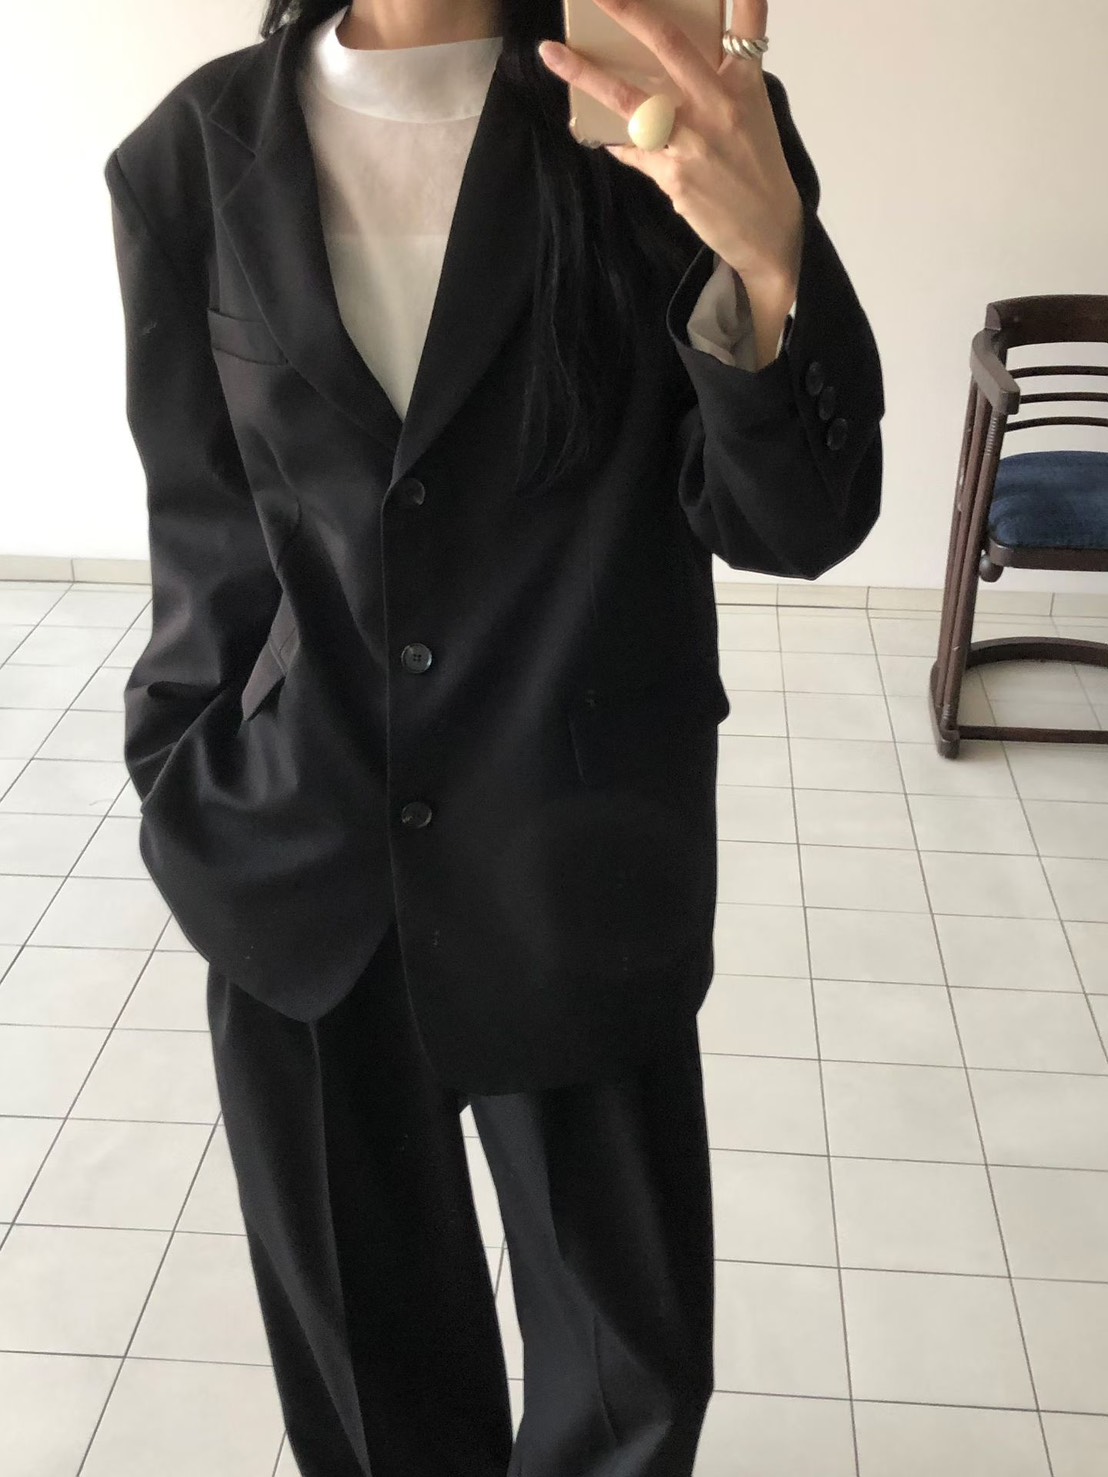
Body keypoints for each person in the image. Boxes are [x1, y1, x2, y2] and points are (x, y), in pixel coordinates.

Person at [103, 0, 883, 1472]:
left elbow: (798, 523)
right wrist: (188, 782)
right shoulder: (191, 155)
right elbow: (206, 537)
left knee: (630, 1390)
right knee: (371, 1404)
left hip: (579, 863)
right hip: (303, 874)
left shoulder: (654, 113)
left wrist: (771, 262)